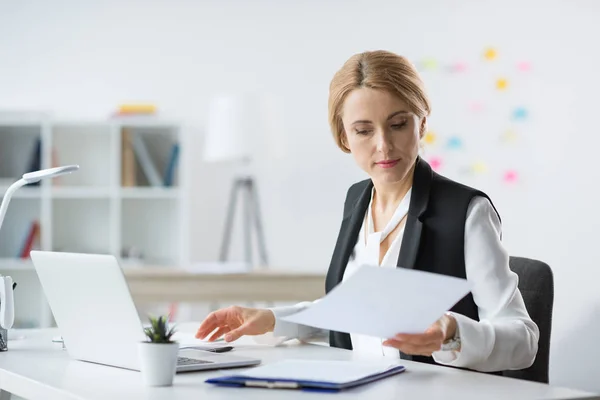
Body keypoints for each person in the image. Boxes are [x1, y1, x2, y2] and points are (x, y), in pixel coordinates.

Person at [196, 50, 539, 373]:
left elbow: (524, 339)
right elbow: (355, 312)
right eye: (363, 130)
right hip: (357, 386)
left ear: (421, 124)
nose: (383, 145)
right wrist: (272, 319)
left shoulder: (466, 212)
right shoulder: (357, 200)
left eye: (398, 124)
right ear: (344, 137)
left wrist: (452, 333)